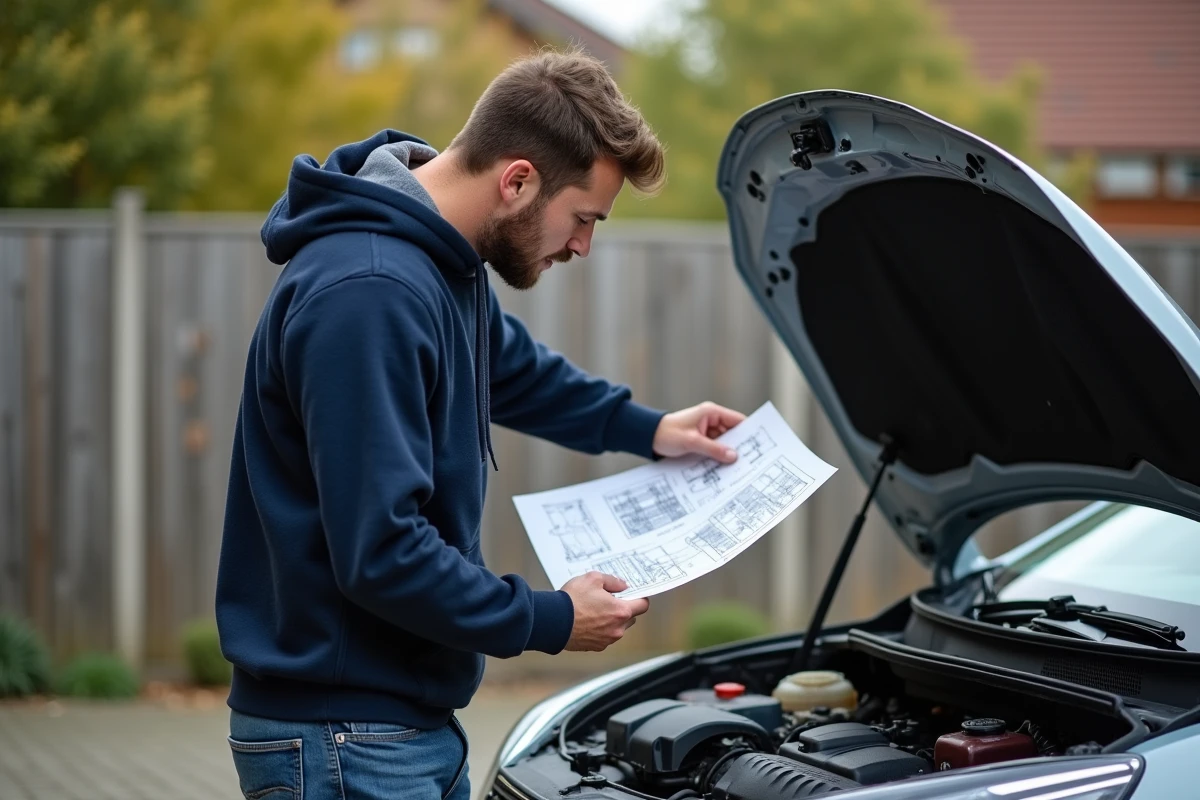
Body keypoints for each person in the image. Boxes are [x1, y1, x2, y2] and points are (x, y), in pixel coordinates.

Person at [215, 47, 746, 800]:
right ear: (518, 181)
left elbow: (512, 370)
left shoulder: (438, 263)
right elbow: (382, 552)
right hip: (343, 735)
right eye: (584, 217)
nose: (584, 245)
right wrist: (549, 618)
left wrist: (652, 430)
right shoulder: (369, 292)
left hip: (394, 722)